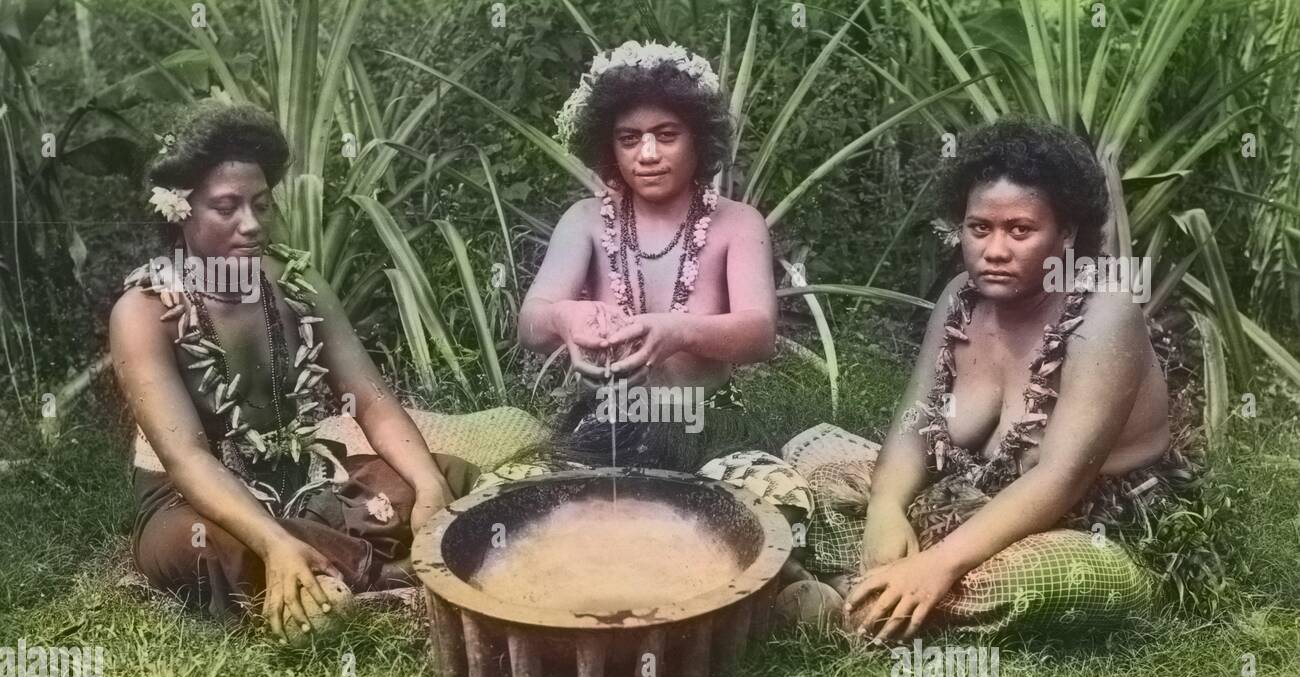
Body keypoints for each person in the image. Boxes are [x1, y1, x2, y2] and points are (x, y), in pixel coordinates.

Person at [785, 120, 1192, 640]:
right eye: (980, 228)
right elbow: (914, 422)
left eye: (1020, 231)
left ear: (1065, 235)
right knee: (810, 454)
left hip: (1078, 521)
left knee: (1036, 576)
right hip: (965, 493)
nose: (994, 250)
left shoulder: (1104, 316)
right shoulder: (960, 297)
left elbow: (1059, 479)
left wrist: (938, 565)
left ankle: (854, 596)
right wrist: (886, 510)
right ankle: (881, 593)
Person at [110, 103, 476, 643]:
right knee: (216, 546)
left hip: (302, 475)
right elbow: (185, 455)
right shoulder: (142, 312)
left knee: (452, 476)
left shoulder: (297, 284)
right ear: (179, 211)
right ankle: (383, 573)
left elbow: (370, 399)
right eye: (226, 208)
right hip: (194, 500)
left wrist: (425, 487)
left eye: (260, 203)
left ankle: (336, 573)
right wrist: (273, 542)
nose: (252, 224)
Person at [482, 41, 812, 523]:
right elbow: (531, 325)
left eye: (666, 134)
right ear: (609, 146)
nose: (648, 154)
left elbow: (759, 335)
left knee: (778, 501)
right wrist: (566, 317)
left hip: (707, 421)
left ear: (699, 139)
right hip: (608, 419)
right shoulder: (585, 220)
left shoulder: (738, 223)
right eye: (629, 138)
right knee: (503, 499)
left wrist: (677, 331)